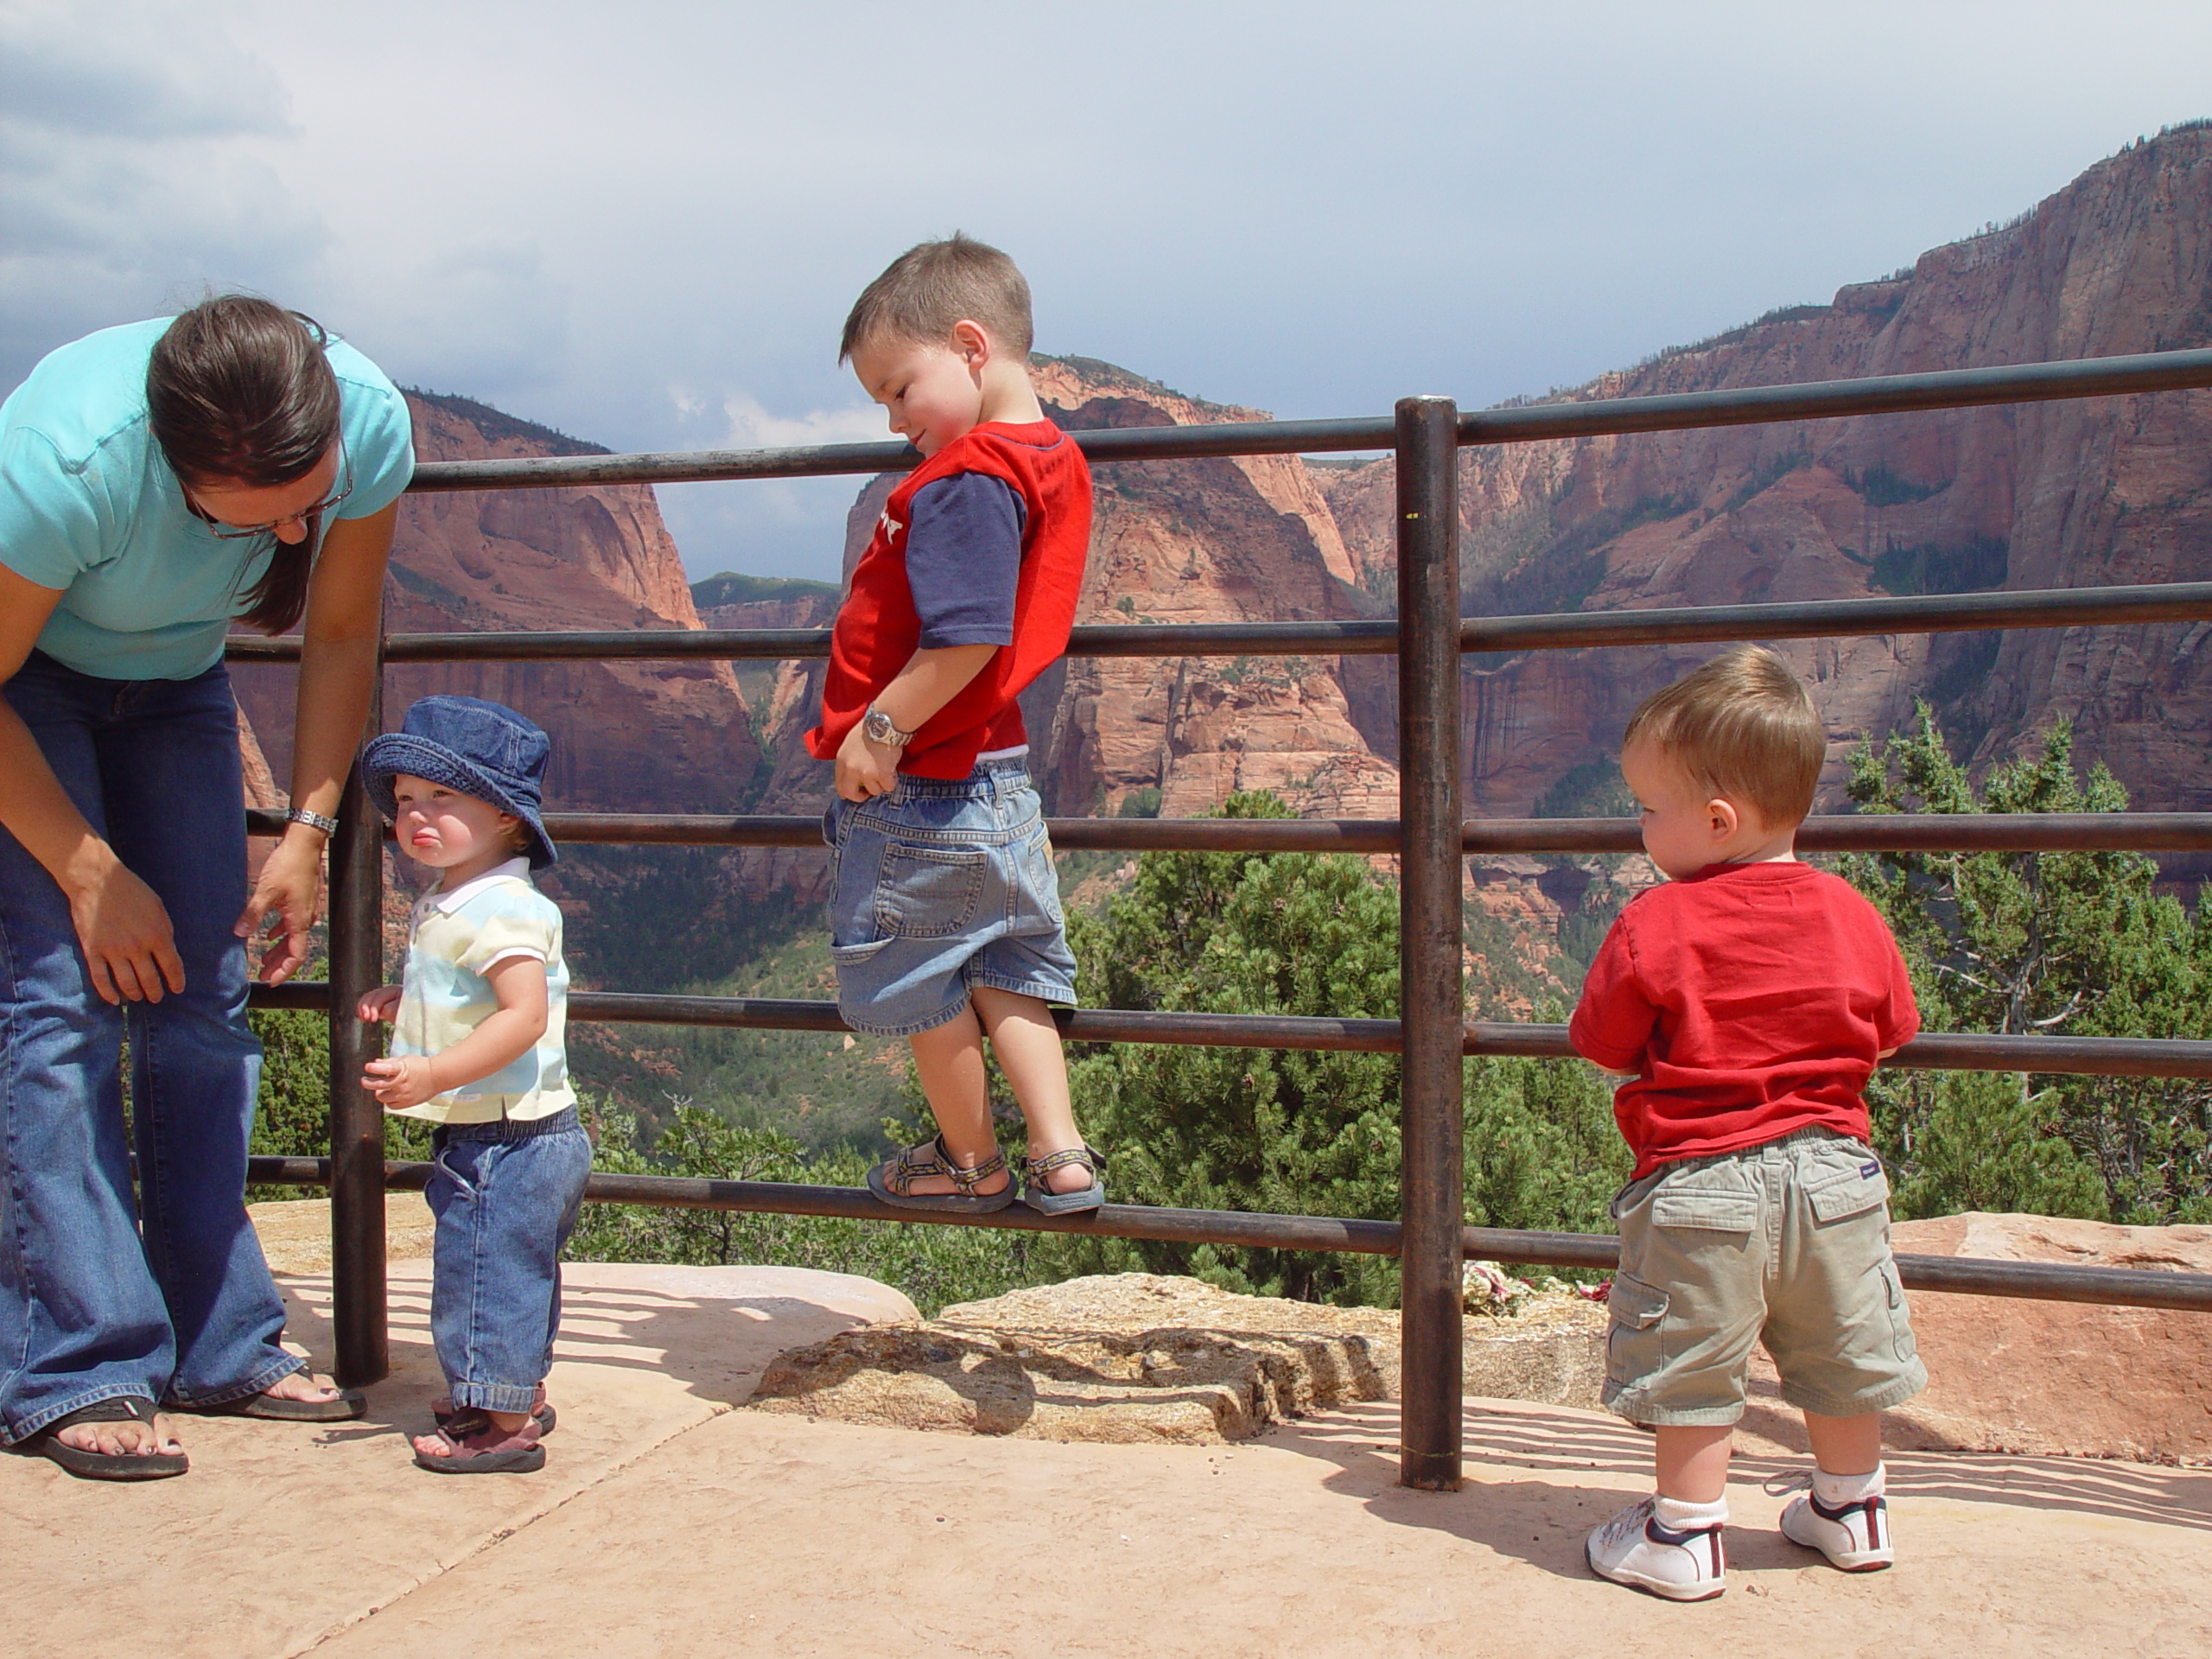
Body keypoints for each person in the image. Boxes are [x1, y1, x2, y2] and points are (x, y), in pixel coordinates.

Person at [0, 296, 413, 1480]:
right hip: (27, 691)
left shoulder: (368, 420)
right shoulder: (68, 466)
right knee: (54, 1006)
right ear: (171, 470)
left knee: (202, 1001)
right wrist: (87, 873)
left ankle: (220, 1341)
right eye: (257, 519)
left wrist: (309, 829)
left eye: (307, 504)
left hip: (178, 683)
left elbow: (337, 636)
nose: (294, 541)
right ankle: (73, 1366)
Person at [1568, 645, 1927, 1601]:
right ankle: (1851, 1513)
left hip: (1700, 1184)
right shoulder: (1854, 914)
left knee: (1693, 1358)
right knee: (1840, 1348)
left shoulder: (1657, 922)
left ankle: (1682, 1535)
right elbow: (1890, 1033)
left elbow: (1602, 1042)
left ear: (1716, 822)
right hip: (1834, 1178)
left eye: (1648, 809)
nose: (1638, 826)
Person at [807, 234, 1103, 1215]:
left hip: (922, 782)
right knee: (1008, 963)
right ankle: (1061, 1155)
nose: (894, 422)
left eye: (898, 388)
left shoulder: (970, 477)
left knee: (928, 981)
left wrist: (878, 730)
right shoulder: (1048, 455)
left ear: (971, 346)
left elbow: (966, 638)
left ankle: (970, 1165)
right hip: (997, 770)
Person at [355, 696, 588, 1476]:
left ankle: (500, 1424)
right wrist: (407, 1000)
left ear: (508, 819)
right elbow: (470, 993)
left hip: (513, 1136)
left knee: (488, 1271)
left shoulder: (508, 909)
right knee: (503, 1267)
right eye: (406, 801)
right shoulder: (458, 894)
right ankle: (508, 1388)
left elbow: (521, 1018)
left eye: (443, 798)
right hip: (496, 1129)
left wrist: (431, 1072)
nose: (416, 816)